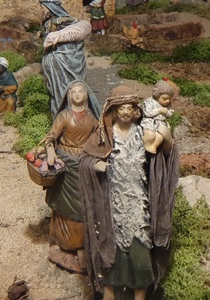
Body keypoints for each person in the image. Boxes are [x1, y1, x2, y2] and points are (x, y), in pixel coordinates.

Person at [80, 85, 179, 300]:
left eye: (129, 108)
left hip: (138, 203)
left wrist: (168, 138)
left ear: (135, 110)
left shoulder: (143, 131)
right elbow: (85, 159)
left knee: (140, 252)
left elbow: (164, 155)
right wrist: (95, 166)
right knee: (111, 254)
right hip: (112, 204)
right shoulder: (104, 135)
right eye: (121, 108)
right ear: (113, 111)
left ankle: (140, 296)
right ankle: (109, 295)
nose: (125, 112)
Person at [43, 80, 101, 274]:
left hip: (85, 163)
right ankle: (65, 244)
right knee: (67, 205)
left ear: (86, 95)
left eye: (81, 91)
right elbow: (50, 137)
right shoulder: (64, 116)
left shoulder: (92, 117)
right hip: (67, 163)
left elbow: (98, 137)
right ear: (69, 96)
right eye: (73, 91)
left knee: (86, 204)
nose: (77, 94)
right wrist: (51, 151)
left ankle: (84, 245)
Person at [39, 0, 92, 117]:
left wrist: (55, 36)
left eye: (43, 8)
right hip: (55, 61)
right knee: (57, 93)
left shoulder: (61, 20)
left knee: (68, 90)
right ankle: (60, 117)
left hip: (64, 61)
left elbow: (73, 31)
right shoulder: (48, 21)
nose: (42, 11)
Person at [141, 80, 176, 154]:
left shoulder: (168, 105)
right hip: (150, 122)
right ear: (157, 96)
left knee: (160, 136)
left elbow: (170, 114)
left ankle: (154, 146)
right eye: (165, 99)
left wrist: (166, 112)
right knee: (150, 134)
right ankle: (147, 145)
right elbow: (147, 112)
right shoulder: (149, 102)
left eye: (169, 99)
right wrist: (159, 111)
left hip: (161, 123)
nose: (167, 101)